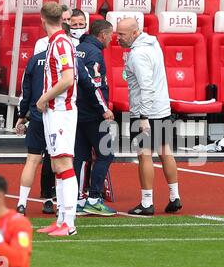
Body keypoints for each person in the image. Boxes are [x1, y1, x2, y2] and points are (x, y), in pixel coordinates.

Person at [116, 18, 182, 216]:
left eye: (122, 34)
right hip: (162, 108)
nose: (117, 38)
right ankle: (174, 196)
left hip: (146, 112)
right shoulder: (153, 44)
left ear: (135, 33)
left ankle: (146, 202)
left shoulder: (138, 54)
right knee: (165, 151)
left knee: (144, 155)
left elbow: (146, 86)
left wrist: (143, 116)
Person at [36, 2, 78, 236]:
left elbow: (67, 79)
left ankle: (69, 223)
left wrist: (43, 98)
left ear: (42, 20)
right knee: (56, 164)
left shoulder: (61, 43)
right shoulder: (56, 42)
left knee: (63, 163)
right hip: (55, 111)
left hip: (62, 110)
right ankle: (61, 218)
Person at [74, 19, 116, 216]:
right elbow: (93, 85)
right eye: (111, 35)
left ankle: (78, 200)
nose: (112, 39)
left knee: (81, 156)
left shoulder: (79, 48)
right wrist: (104, 110)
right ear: (103, 35)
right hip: (93, 113)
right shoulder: (95, 53)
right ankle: (93, 198)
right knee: (105, 154)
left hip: (78, 110)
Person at [15, 50, 56, 216]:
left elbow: (26, 90)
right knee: (56, 162)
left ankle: (21, 203)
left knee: (31, 161)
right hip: (57, 118)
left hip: (38, 118)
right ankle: (53, 202)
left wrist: (22, 115)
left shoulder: (35, 60)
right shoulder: (67, 60)